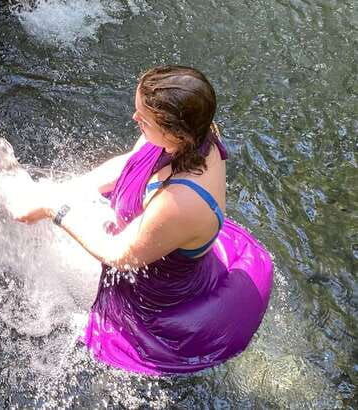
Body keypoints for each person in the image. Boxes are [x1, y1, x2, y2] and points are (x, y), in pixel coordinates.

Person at [14, 65, 273, 375]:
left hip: (158, 304)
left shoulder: (181, 203)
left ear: (174, 131)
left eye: (143, 118)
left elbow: (121, 255)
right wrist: (67, 189)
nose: (134, 119)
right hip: (169, 234)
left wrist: (54, 209)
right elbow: (131, 163)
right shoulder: (195, 132)